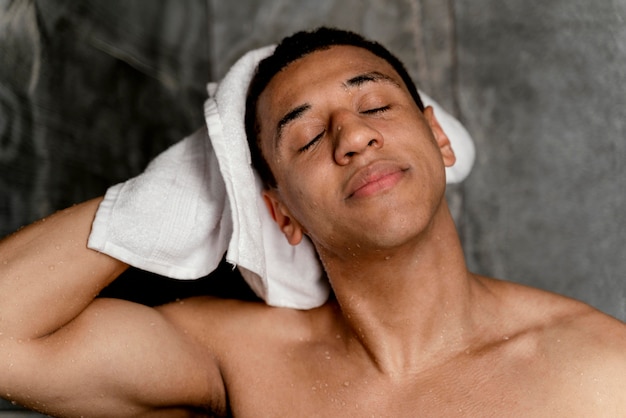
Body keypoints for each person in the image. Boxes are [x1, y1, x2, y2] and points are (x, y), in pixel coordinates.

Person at [1, 27, 625, 418]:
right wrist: (174, 195)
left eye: (376, 104)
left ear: (438, 139)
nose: (353, 135)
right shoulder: (243, 360)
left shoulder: (602, 371)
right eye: (304, 138)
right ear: (280, 212)